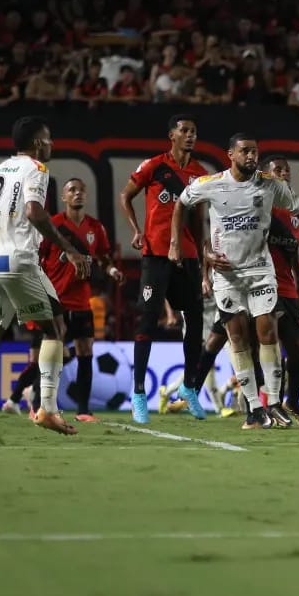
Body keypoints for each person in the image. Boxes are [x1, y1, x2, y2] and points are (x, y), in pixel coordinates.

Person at [0, 115, 90, 441]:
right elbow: (34, 211)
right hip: (17, 260)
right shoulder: (36, 169)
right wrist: (69, 249)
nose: (52, 144)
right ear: (36, 144)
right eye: (48, 139)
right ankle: (47, 408)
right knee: (55, 328)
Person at [170, 133, 299, 429]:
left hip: (260, 271)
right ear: (230, 153)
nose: (251, 156)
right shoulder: (211, 183)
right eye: (245, 151)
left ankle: (275, 402)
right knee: (238, 338)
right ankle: (254, 408)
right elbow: (181, 204)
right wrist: (183, 244)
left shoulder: (269, 183)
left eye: (255, 151)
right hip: (227, 276)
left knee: (268, 331)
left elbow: (298, 207)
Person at [3, 177, 123, 422]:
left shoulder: (95, 228)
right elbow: (35, 258)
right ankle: (30, 401)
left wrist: (111, 271)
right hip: (53, 302)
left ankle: (83, 410)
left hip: (81, 302)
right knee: (45, 358)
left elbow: (103, 257)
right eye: (72, 190)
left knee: (84, 352)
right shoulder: (52, 226)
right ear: (64, 197)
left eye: (81, 190)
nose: (77, 194)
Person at [120, 114, 208, 423]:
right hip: (156, 253)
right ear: (171, 135)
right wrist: (136, 229)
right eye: (184, 130)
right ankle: (140, 394)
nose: (189, 135)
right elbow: (125, 196)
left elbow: (198, 220)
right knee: (147, 321)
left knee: (196, 321)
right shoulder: (154, 166)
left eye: (193, 131)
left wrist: (201, 255)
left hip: (187, 257)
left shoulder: (200, 174)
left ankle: (188, 387)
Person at [263, 155, 299, 426]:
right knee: (265, 346)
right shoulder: (260, 205)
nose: (283, 173)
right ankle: (264, 405)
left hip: (288, 288)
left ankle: (291, 400)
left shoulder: (295, 212)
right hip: (262, 285)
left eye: (286, 170)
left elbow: (294, 250)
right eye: (276, 170)